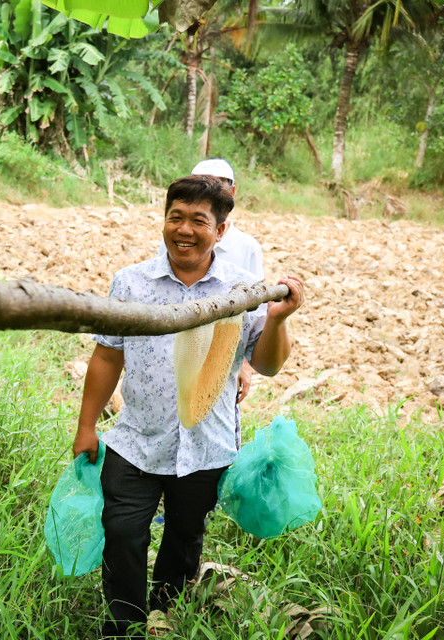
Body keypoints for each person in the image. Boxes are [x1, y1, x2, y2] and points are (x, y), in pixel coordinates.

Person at [73, 175, 304, 637]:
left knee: (184, 538)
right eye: (175, 217)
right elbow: (107, 356)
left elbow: (267, 364)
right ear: (164, 220)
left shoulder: (242, 289)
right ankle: (124, 627)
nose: (184, 229)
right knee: (122, 533)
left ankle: (165, 615)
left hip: (205, 446)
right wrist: (87, 426)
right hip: (136, 440)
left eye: (198, 220)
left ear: (220, 230)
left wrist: (278, 320)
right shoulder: (132, 282)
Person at [190, 158, 264, 444]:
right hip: (183, 346)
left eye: (217, 186)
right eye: (200, 185)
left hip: (226, 351)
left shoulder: (246, 247)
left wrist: (245, 364)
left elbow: (255, 310)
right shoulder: (178, 236)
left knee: (218, 421)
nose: (207, 192)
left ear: (231, 193)